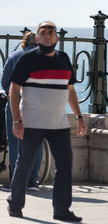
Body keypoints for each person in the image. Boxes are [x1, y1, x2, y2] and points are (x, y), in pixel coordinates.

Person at [6, 21, 87, 222]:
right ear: (37, 37)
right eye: (43, 33)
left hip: (58, 124)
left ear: (57, 38)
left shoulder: (64, 59)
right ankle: (15, 204)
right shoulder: (27, 59)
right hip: (31, 122)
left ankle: (61, 210)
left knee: (65, 165)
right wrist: (17, 120)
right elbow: (13, 91)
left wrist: (79, 117)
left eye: (51, 33)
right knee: (24, 163)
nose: (48, 36)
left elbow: (70, 91)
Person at [1, 32, 43, 192]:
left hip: (16, 101)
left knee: (14, 141)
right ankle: (32, 180)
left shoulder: (14, 55)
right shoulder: (42, 57)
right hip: (38, 103)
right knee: (36, 142)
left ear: (23, 43)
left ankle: (16, 180)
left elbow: (5, 81)